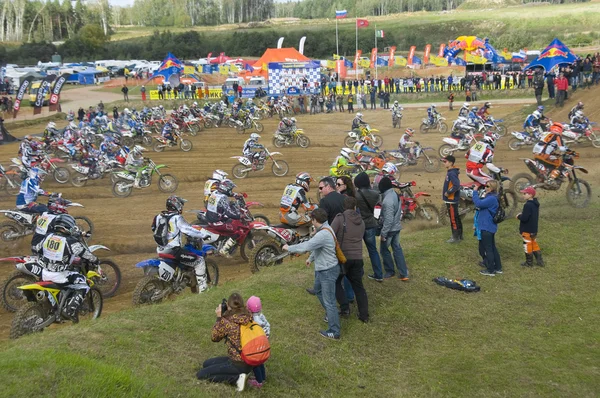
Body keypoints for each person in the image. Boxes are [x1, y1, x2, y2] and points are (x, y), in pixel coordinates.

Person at [283, 208, 341, 340]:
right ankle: (329, 314)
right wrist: (310, 259)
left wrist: (289, 248)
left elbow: (307, 246)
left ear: (315, 220)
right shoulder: (325, 229)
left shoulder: (322, 234)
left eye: (312, 220)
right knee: (318, 290)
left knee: (330, 301)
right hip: (323, 269)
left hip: (327, 271)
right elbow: (317, 247)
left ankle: (334, 331)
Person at [31, 214, 98, 321]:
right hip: (60, 276)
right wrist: (95, 260)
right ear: (66, 227)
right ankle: (69, 310)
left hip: (44, 273)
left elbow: (37, 248)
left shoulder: (48, 237)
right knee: (84, 284)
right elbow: (85, 254)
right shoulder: (69, 242)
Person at [197, 292, 254, 391]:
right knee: (206, 363)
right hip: (248, 361)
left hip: (237, 363)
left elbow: (214, 337)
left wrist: (219, 318)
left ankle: (237, 378)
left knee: (201, 374)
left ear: (229, 306)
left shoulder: (228, 322)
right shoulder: (248, 317)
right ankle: (243, 373)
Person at [153, 195, 209, 292]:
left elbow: (154, 228)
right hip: (174, 251)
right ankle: (203, 290)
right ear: (177, 205)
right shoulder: (177, 218)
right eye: (181, 205)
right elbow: (187, 229)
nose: (182, 208)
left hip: (161, 250)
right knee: (199, 261)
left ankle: (176, 279)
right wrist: (202, 235)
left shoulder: (158, 216)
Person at [331, 197, 369, 323]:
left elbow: (331, 234)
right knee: (359, 287)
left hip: (343, 258)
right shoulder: (362, 222)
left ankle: (344, 308)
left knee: (336, 282)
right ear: (354, 207)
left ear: (344, 207)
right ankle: (364, 314)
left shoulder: (340, 218)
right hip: (357, 258)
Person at [353, 172, 383, 281]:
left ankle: (359, 274)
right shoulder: (375, 194)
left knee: (357, 251)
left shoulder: (355, 195)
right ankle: (379, 274)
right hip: (371, 224)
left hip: (359, 226)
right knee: (373, 250)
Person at [378, 177, 409, 280]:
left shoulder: (387, 200)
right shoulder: (394, 194)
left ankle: (390, 271)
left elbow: (388, 220)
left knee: (384, 250)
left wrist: (383, 234)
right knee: (397, 249)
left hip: (390, 230)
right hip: (397, 227)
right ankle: (404, 273)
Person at [472, 180, 502, 276]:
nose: (485, 188)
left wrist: (475, 191)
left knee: (488, 249)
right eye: (485, 186)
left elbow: (478, 204)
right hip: (490, 226)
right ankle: (498, 268)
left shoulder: (491, 199)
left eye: (488, 186)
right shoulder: (491, 197)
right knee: (492, 248)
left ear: (492, 188)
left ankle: (490, 270)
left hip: (486, 226)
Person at [206, 179, 242, 256]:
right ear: (226, 188)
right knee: (238, 231)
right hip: (216, 222)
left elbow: (228, 194)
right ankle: (224, 250)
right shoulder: (223, 198)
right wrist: (239, 215)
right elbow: (229, 213)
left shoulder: (215, 192)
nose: (231, 190)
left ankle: (223, 241)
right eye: (230, 189)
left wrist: (235, 195)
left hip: (210, 217)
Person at [246, 296, 270, 389]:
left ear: (248, 309)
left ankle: (258, 382)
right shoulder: (262, 317)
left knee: (255, 363)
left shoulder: (252, 320)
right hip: (265, 344)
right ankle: (263, 377)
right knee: (261, 362)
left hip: (256, 347)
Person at [516, 186, 544, 268]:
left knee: (527, 245)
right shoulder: (535, 204)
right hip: (534, 229)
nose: (523, 195)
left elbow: (524, 218)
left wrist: (519, 216)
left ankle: (529, 263)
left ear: (530, 195)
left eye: (525, 193)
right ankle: (540, 261)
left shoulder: (527, 205)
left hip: (527, 229)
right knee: (534, 243)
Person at [442, 155, 462, 243]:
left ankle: (455, 237)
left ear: (450, 163)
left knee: (453, 218)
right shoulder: (451, 171)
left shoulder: (452, 173)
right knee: (456, 217)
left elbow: (456, 185)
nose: (444, 163)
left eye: (445, 162)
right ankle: (459, 235)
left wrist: (448, 192)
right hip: (451, 199)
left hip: (451, 199)